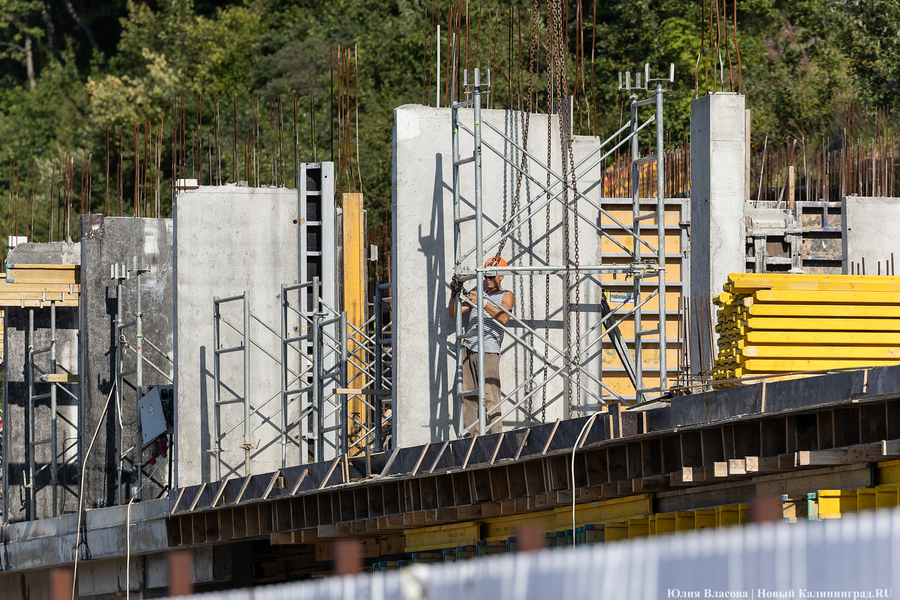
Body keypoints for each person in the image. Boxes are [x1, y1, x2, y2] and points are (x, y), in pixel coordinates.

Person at [448, 256, 515, 436]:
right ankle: (472, 439)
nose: (487, 279)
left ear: (501, 276)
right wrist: (454, 294)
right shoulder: (478, 292)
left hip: (489, 350)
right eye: (485, 275)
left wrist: (483, 303)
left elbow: (504, 317)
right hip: (469, 349)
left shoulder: (506, 294)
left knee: (491, 397)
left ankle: (496, 438)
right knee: (469, 397)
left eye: (491, 276)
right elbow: (453, 313)